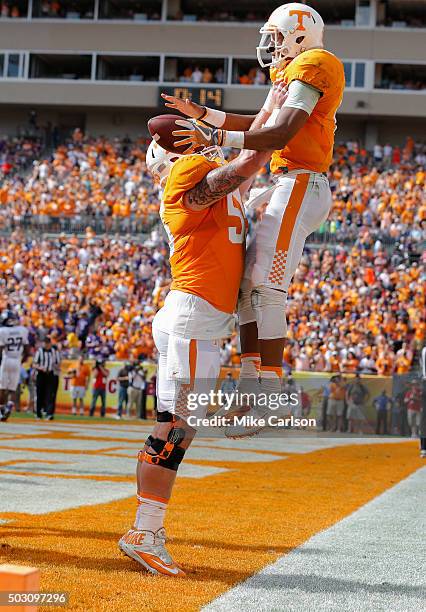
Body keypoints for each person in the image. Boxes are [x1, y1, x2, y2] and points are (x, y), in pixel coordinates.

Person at [166, 2, 345, 436]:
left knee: (267, 287)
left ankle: (271, 395)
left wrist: (218, 137)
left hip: (302, 182)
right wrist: (206, 116)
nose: (270, 45)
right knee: (249, 284)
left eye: (277, 35)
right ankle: (251, 388)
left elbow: (280, 133)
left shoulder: (316, 65)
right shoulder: (287, 73)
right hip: (284, 183)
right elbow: (262, 122)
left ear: (298, 34)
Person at [118, 133, 270, 576]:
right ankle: (145, 532)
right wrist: (261, 130)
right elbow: (245, 164)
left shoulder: (208, 184)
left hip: (197, 321)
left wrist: (271, 106)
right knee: (176, 429)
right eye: (193, 142)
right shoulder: (186, 178)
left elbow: (243, 168)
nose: (204, 146)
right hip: (193, 321)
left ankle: (145, 530)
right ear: (176, 156)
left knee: (176, 427)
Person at [0, 310, 29, 422]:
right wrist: (22, 360)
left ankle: (1, 409)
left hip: (6, 359)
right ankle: (10, 405)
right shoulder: (22, 330)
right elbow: (27, 349)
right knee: (12, 388)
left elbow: (0, 349)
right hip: (17, 360)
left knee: (2, 387)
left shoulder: (3, 331)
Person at [32, 336, 59, 421]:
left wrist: (55, 368)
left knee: (50, 394)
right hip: (41, 374)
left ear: (50, 343)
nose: (46, 344)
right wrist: (41, 367)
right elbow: (34, 364)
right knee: (39, 393)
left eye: (47, 343)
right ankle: (38, 413)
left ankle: (49, 413)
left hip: (51, 374)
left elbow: (58, 363)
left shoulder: (54, 352)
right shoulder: (39, 351)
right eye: (45, 343)